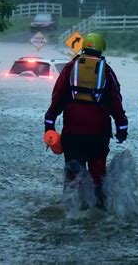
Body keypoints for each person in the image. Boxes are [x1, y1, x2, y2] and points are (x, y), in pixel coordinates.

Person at [44, 32, 128, 208]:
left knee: (73, 175)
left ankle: (71, 210)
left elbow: (57, 96)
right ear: (101, 49)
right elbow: (116, 102)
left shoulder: (70, 67)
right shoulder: (106, 70)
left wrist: (49, 123)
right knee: (98, 174)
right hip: (99, 134)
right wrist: (122, 128)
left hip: (73, 133)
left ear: (84, 47)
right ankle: (98, 208)